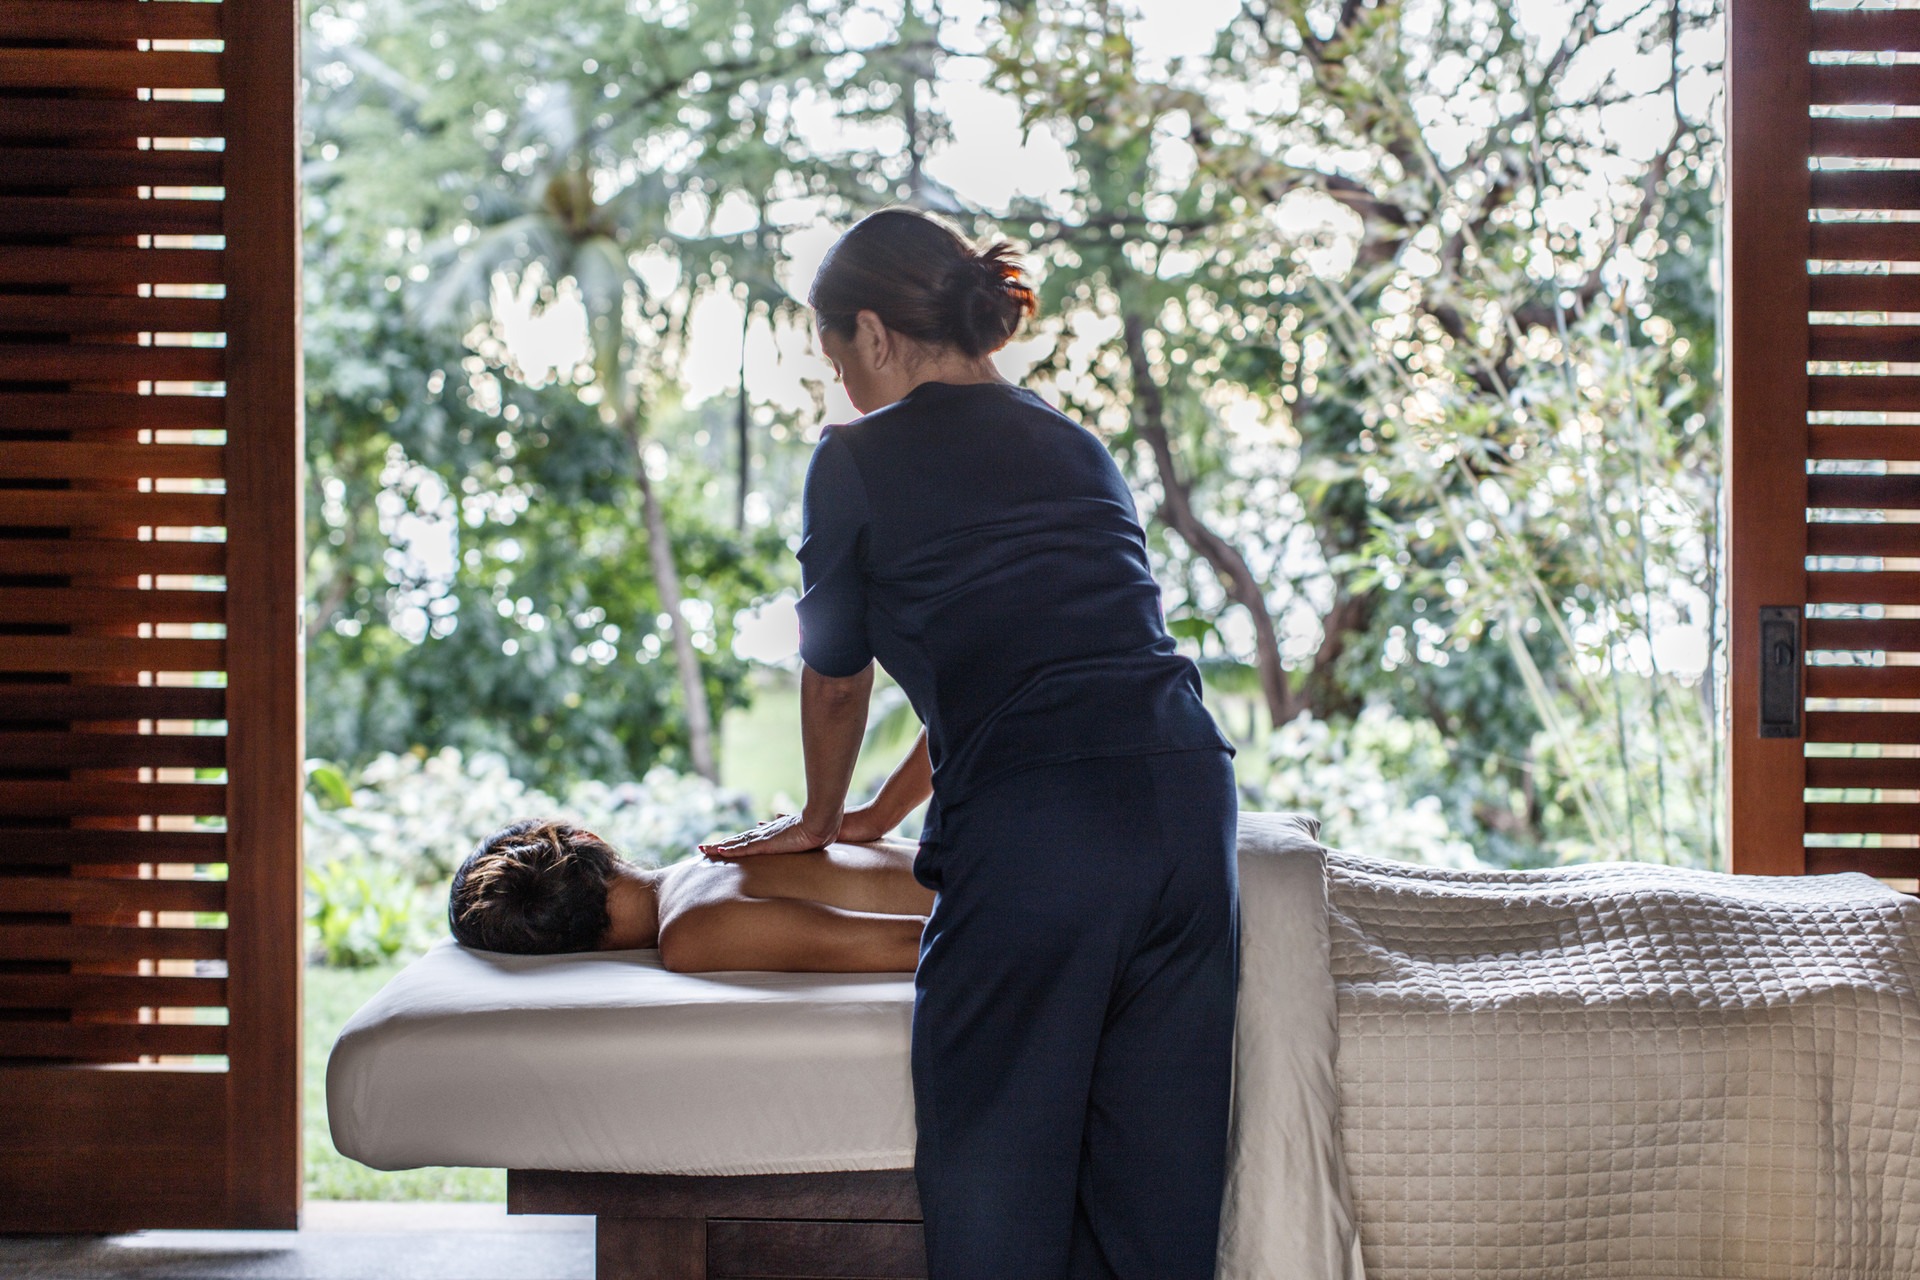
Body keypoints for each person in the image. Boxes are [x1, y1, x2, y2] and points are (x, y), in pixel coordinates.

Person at [700, 208, 1239, 1280]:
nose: (840, 385)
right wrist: (881, 819)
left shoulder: (854, 457)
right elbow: (1024, 672)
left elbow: (838, 672)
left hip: (1044, 832)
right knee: (1156, 1201)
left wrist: (818, 818)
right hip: (1186, 801)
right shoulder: (1073, 441)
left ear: (875, 333)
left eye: (835, 358)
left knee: (998, 1192)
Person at [447, 817, 931, 972]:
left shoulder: (694, 931)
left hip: (998, 897)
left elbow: (924, 944)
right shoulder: (729, 852)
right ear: (590, 838)